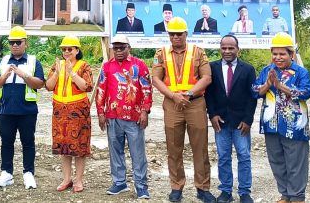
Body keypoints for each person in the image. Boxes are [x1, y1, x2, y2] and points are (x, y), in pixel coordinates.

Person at [151, 17, 216, 203]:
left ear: (186, 34)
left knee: (200, 147)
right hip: (172, 105)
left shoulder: (199, 52)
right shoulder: (161, 53)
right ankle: (176, 186)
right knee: (173, 147)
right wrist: (173, 96)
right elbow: (156, 79)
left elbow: (207, 77)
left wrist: (188, 93)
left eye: (179, 33)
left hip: (195, 103)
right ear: (168, 35)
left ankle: (203, 188)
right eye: (172, 34)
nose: (176, 37)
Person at [252, 32, 310, 203]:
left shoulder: (301, 72)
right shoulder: (266, 71)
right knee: (277, 161)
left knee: (296, 163)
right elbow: (255, 91)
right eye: (275, 53)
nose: (277, 57)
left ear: (291, 54)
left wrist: (279, 86)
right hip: (271, 123)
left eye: (282, 54)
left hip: (295, 125)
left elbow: (305, 92)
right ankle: (285, 195)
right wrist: (268, 84)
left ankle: (297, 197)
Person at [96, 34, 152, 199]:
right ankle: (120, 182)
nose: (118, 51)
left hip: (134, 117)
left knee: (138, 153)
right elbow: (101, 90)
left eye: (122, 47)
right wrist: (100, 112)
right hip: (113, 116)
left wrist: (145, 111)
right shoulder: (107, 67)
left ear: (129, 48)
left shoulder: (140, 65)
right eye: (116, 48)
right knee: (115, 151)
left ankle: (141, 186)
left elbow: (147, 89)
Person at [0, 26, 46, 189]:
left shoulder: (33, 61)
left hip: (27, 112)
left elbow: (40, 83)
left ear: (25, 44)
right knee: (6, 142)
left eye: (18, 42)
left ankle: (28, 173)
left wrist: (25, 75)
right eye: (12, 42)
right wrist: (4, 77)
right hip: (6, 111)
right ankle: (6, 173)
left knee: (28, 142)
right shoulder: (2, 61)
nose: (15, 45)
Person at [204, 35, 257, 203]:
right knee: (223, 156)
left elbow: (252, 97)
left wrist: (248, 120)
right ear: (220, 48)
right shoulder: (211, 68)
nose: (227, 51)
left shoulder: (248, 69)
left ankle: (244, 192)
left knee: (244, 155)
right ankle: (226, 190)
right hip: (220, 121)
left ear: (237, 49)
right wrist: (212, 115)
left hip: (241, 122)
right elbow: (209, 94)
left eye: (231, 48)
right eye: (224, 48)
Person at [45, 36, 93, 193]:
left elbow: (86, 86)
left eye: (70, 49)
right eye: (64, 49)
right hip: (60, 113)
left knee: (79, 147)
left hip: (78, 112)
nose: (66, 52)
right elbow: (49, 86)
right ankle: (67, 179)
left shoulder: (84, 66)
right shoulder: (57, 65)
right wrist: (56, 73)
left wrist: (72, 73)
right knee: (63, 147)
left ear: (77, 50)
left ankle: (79, 180)